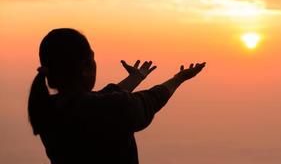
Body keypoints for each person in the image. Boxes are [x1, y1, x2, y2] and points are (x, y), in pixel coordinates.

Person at [28, 28, 206, 164]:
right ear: (85, 68)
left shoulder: (47, 108)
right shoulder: (109, 108)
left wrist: (135, 78)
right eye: (92, 58)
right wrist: (179, 78)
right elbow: (150, 100)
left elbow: (102, 97)